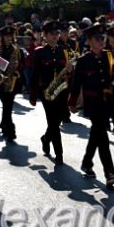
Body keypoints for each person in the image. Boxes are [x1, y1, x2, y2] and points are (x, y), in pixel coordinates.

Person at [67, 23, 114, 187]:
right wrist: (73, 102)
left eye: (103, 38)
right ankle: (109, 172)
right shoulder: (83, 61)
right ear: (88, 41)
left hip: (107, 103)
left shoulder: (109, 56)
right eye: (97, 38)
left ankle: (87, 162)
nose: (101, 41)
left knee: (97, 134)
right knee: (102, 137)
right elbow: (76, 83)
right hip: (93, 103)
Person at [30, 20, 72, 165]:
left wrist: (70, 70)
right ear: (45, 35)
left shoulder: (64, 50)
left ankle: (46, 138)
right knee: (53, 122)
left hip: (61, 90)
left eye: (57, 33)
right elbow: (35, 74)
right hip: (46, 91)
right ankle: (59, 153)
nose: (55, 36)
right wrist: (33, 94)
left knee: (57, 120)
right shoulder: (40, 52)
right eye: (52, 34)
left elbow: (68, 74)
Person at [0, 25, 25, 143]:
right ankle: (8, 128)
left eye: (11, 36)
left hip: (13, 81)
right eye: (6, 36)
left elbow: (23, 65)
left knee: (8, 106)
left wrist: (18, 68)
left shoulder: (17, 49)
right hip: (2, 82)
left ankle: (6, 128)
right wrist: (4, 69)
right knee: (7, 106)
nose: (9, 38)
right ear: (2, 37)